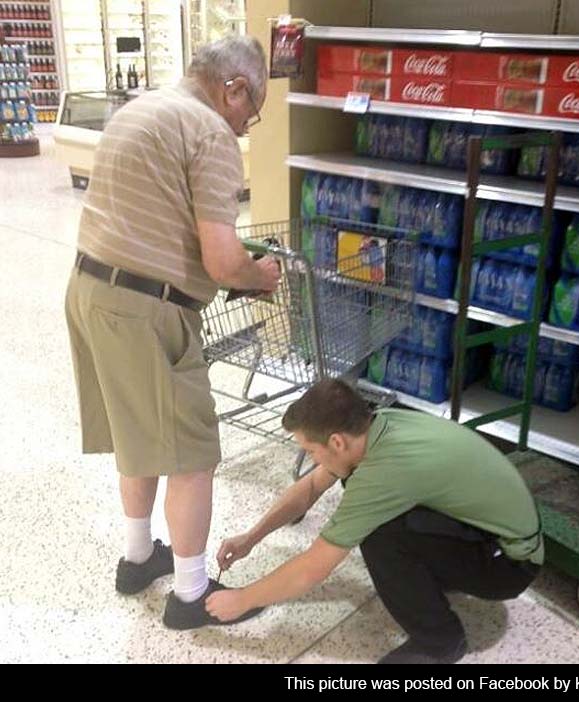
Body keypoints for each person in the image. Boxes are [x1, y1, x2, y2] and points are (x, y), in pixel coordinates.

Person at [64, 36, 280, 630]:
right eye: (250, 109)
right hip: (146, 310)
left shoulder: (143, 108)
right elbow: (221, 260)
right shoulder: (209, 132)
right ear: (233, 88)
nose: (245, 123)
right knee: (191, 455)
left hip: (90, 290)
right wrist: (255, 273)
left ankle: (138, 558)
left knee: (138, 435)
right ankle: (190, 596)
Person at [206, 379, 543, 663]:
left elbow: (314, 566)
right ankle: (438, 577)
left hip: (509, 564)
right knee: (380, 513)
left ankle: (440, 643)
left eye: (310, 450)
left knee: (381, 534)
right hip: (496, 534)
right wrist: (251, 537)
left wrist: (243, 599)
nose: (311, 458)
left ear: (335, 441)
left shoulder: (384, 472)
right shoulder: (377, 424)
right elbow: (309, 487)